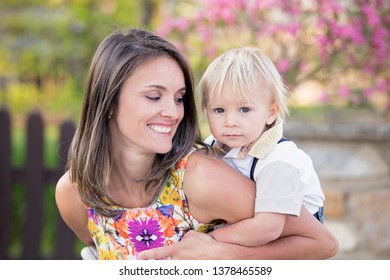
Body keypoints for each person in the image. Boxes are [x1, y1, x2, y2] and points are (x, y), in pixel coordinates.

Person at [55, 27, 338, 260]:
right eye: (154, 96)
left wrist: (223, 252)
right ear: (109, 102)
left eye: (179, 98)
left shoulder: (201, 177)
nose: (173, 112)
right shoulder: (74, 192)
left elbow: (322, 243)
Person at [195, 47, 325, 247]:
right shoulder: (215, 143)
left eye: (244, 109)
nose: (230, 121)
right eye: (219, 110)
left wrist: (209, 240)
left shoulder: (279, 160)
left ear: (270, 113)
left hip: (289, 237)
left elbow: (268, 228)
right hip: (250, 224)